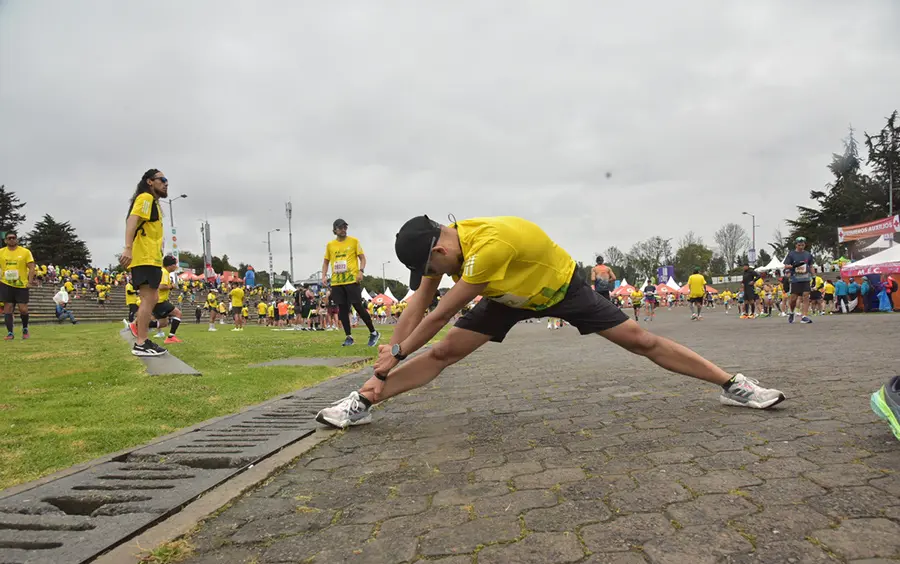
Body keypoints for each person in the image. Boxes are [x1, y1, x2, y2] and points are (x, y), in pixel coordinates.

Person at [315, 215, 785, 428]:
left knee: (639, 339)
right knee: (442, 355)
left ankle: (734, 385)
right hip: (508, 297)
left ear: (439, 249)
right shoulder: (445, 251)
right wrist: (387, 355)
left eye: (435, 269)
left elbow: (439, 314)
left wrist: (391, 358)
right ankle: (362, 403)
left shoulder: (487, 247)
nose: (434, 276)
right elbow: (418, 304)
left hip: (562, 288)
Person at [119, 169, 170, 356]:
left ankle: (137, 330)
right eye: (162, 179)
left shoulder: (152, 202)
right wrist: (127, 247)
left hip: (152, 258)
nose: (166, 183)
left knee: (153, 298)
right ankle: (141, 343)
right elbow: (132, 221)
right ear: (150, 181)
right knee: (149, 299)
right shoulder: (146, 198)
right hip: (145, 257)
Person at [322, 218, 380, 347]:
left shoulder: (354, 241)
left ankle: (373, 332)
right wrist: (324, 275)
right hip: (337, 282)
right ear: (335, 230)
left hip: (352, 279)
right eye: (341, 227)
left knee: (357, 306)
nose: (343, 230)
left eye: (345, 227)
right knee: (342, 309)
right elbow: (326, 261)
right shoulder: (330, 245)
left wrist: (361, 271)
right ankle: (349, 337)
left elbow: (362, 258)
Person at [0, 231, 36, 340]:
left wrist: (30, 282)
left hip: (21, 285)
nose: (11, 240)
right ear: (5, 240)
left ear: (17, 239)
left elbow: (32, 267)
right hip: (6, 283)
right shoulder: (1, 252)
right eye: (9, 238)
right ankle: (10, 333)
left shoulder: (25, 252)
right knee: (8, 308)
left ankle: (25, 328)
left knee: (23, 309)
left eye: (13, 238)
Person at [141, 255, 183, 344]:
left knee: (163, 323)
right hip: (160, 301)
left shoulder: (164, 272)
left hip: (159, 301)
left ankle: (139, 326)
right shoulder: (164, 272)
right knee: (178, 313)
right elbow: (161, 286)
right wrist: (172, 286)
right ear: (170, 265)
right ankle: (171, 337)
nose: (176, 266)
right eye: (175, 264)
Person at [783, 236, 813, 324]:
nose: (801, 246)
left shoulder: (808, 254)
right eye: (799, 245)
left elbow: (811, 266)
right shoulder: (791, 254)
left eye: (803, 245)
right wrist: (794, 266)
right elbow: (786, 265)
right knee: (793, 299)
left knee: (806, 296)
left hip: (806, 277)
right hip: (795, 279)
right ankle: (792, 312)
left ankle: (804, 316)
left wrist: (814, 277)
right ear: (796, 245)